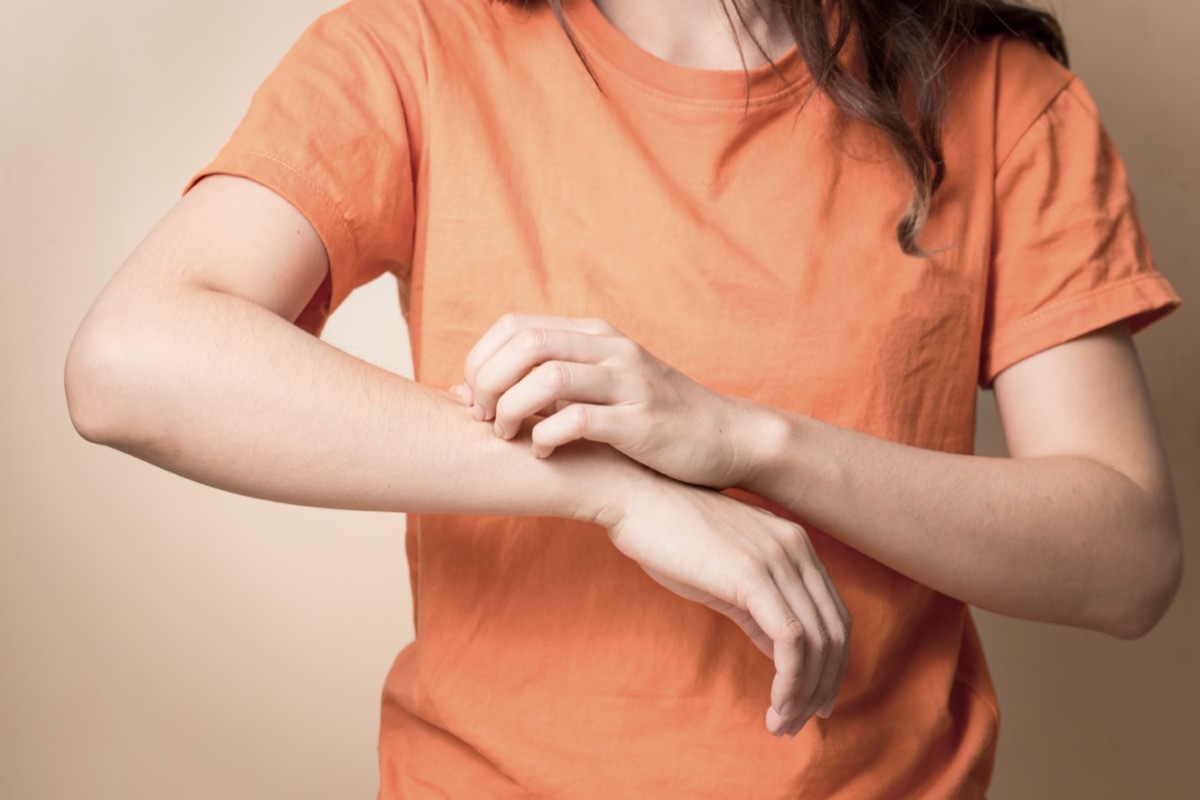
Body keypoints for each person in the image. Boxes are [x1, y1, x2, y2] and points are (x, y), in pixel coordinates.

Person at [64, 0, 1182, 796]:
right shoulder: (416, 45)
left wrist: (746, 440)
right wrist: (614, 488)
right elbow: (129, 359)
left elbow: (1126, 555)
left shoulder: (1006, 99)